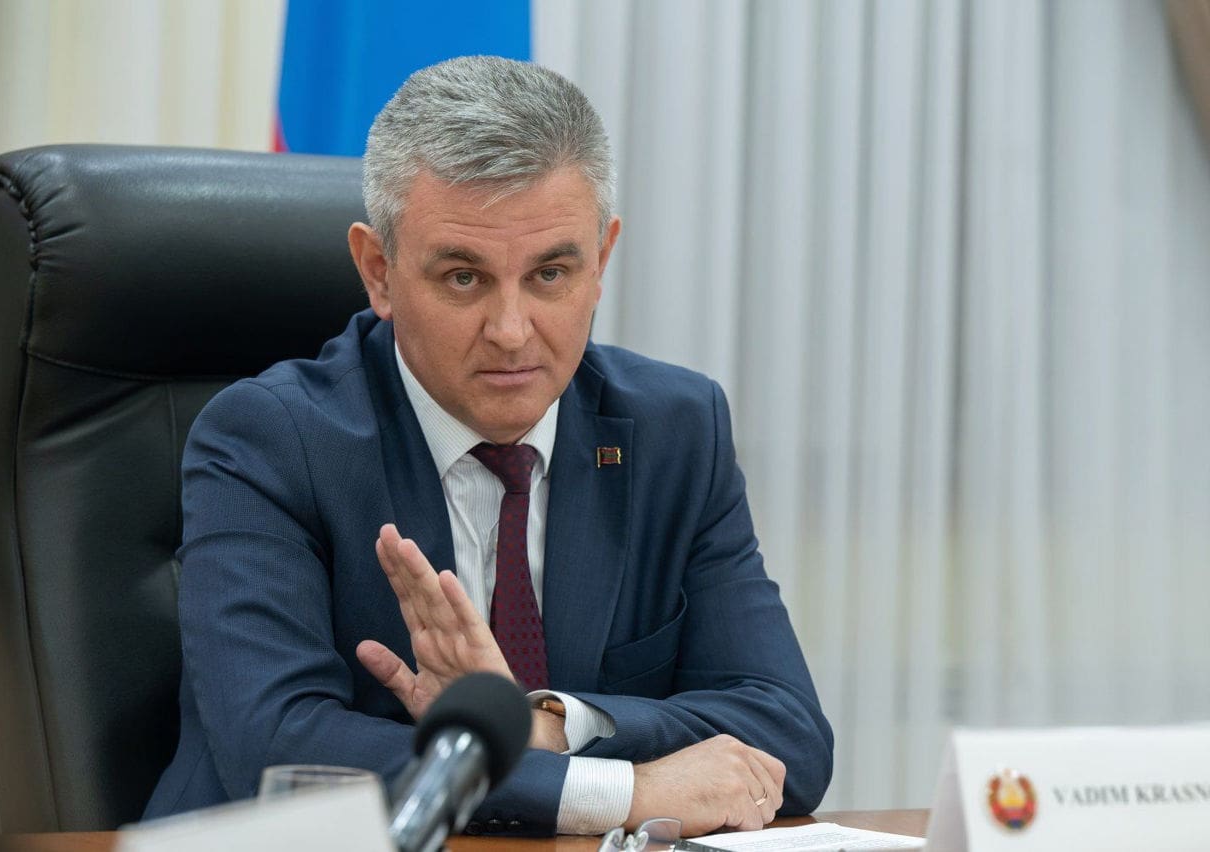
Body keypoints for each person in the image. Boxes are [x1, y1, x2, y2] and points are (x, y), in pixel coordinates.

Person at [145, 55, 832, 837]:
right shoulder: (268, 440)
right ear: (379, 271)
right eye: (465, 278)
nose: (511, 332)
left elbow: (785, 735)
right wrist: (618, 790)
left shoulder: (676, 431)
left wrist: (549, 723)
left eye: (550, 274)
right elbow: (277, 748)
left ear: (601, 261)